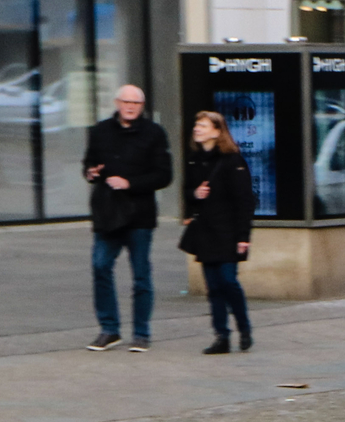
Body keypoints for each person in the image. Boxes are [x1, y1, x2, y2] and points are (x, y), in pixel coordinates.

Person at [82, 83, 172, 351]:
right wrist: (91, 172)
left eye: (136, 103)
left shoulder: (154, 133)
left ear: (142, 107)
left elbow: (164, 175)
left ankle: (141, 333)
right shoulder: (100, 131)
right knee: (100, 266)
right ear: (117, 103)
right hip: (108, 212)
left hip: (139, 214)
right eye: (126, 102)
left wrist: (130, 183)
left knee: (141, 274)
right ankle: (109, 329)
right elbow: (88, 163)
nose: (130, 107)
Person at [179, 110, 257, 354]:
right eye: (196, 124)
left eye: (202, 125)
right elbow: (187, 192)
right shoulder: (194, 159)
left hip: (228, 231)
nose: (197, 129)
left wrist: (243, 237)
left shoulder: (232, 160)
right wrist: (194, 194)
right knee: (213, 286)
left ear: (216, 131)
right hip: (205, 231)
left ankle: (244, 328)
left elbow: (245, 200)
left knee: (228, 281)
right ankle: (221, 335)